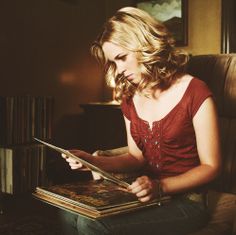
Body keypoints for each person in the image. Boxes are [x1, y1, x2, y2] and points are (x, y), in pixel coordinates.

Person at [59, 6, 221, 235]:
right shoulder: (129, 96)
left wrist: (161, 187)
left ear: (144, 45)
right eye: (113, 63)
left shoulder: (195, 91)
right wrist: (92, 162)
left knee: (91, 224)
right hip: (146, 195)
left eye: (122, 58)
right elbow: (136, 157)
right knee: (68, 211)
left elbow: (211, 167)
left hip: (188, 202)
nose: (119, 70)